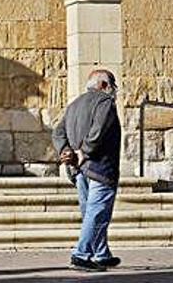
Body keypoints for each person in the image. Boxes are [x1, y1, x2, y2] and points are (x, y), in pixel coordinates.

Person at [52, 69, 122, 272]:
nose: (115, 90)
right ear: (104, 85)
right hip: (100, 167)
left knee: (91, 212)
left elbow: (58, 132)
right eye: (113, 85)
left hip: (78, 169)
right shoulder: (105, 102)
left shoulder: (75, 104)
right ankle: (81, 255)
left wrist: (66, 151)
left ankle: (101, 253)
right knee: (97, 212)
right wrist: (84, 151)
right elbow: (98, 131)